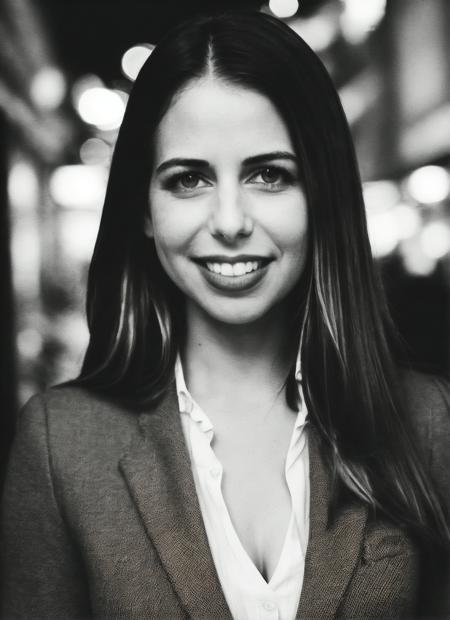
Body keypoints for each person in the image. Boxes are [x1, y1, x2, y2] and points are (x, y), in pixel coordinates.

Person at [2, 10, 450, 619]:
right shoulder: (62, 445)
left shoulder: (429, 422)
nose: (232, 221)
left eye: (269, 175)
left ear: (321, 194)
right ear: (144, 210)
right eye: (189, 180)